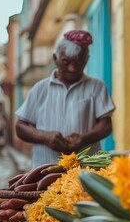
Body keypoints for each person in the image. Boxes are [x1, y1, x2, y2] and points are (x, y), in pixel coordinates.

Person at [15, 29, 115, 169]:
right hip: (45, 172)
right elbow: (20, 127)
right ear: (55, 59)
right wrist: (45, 137)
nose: (73, 68)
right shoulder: (40, 89)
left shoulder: (97, 87)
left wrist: (83, 139)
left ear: (87, 59)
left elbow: (106, 125)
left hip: (86, 174)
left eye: (78, 63)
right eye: (66, 62)